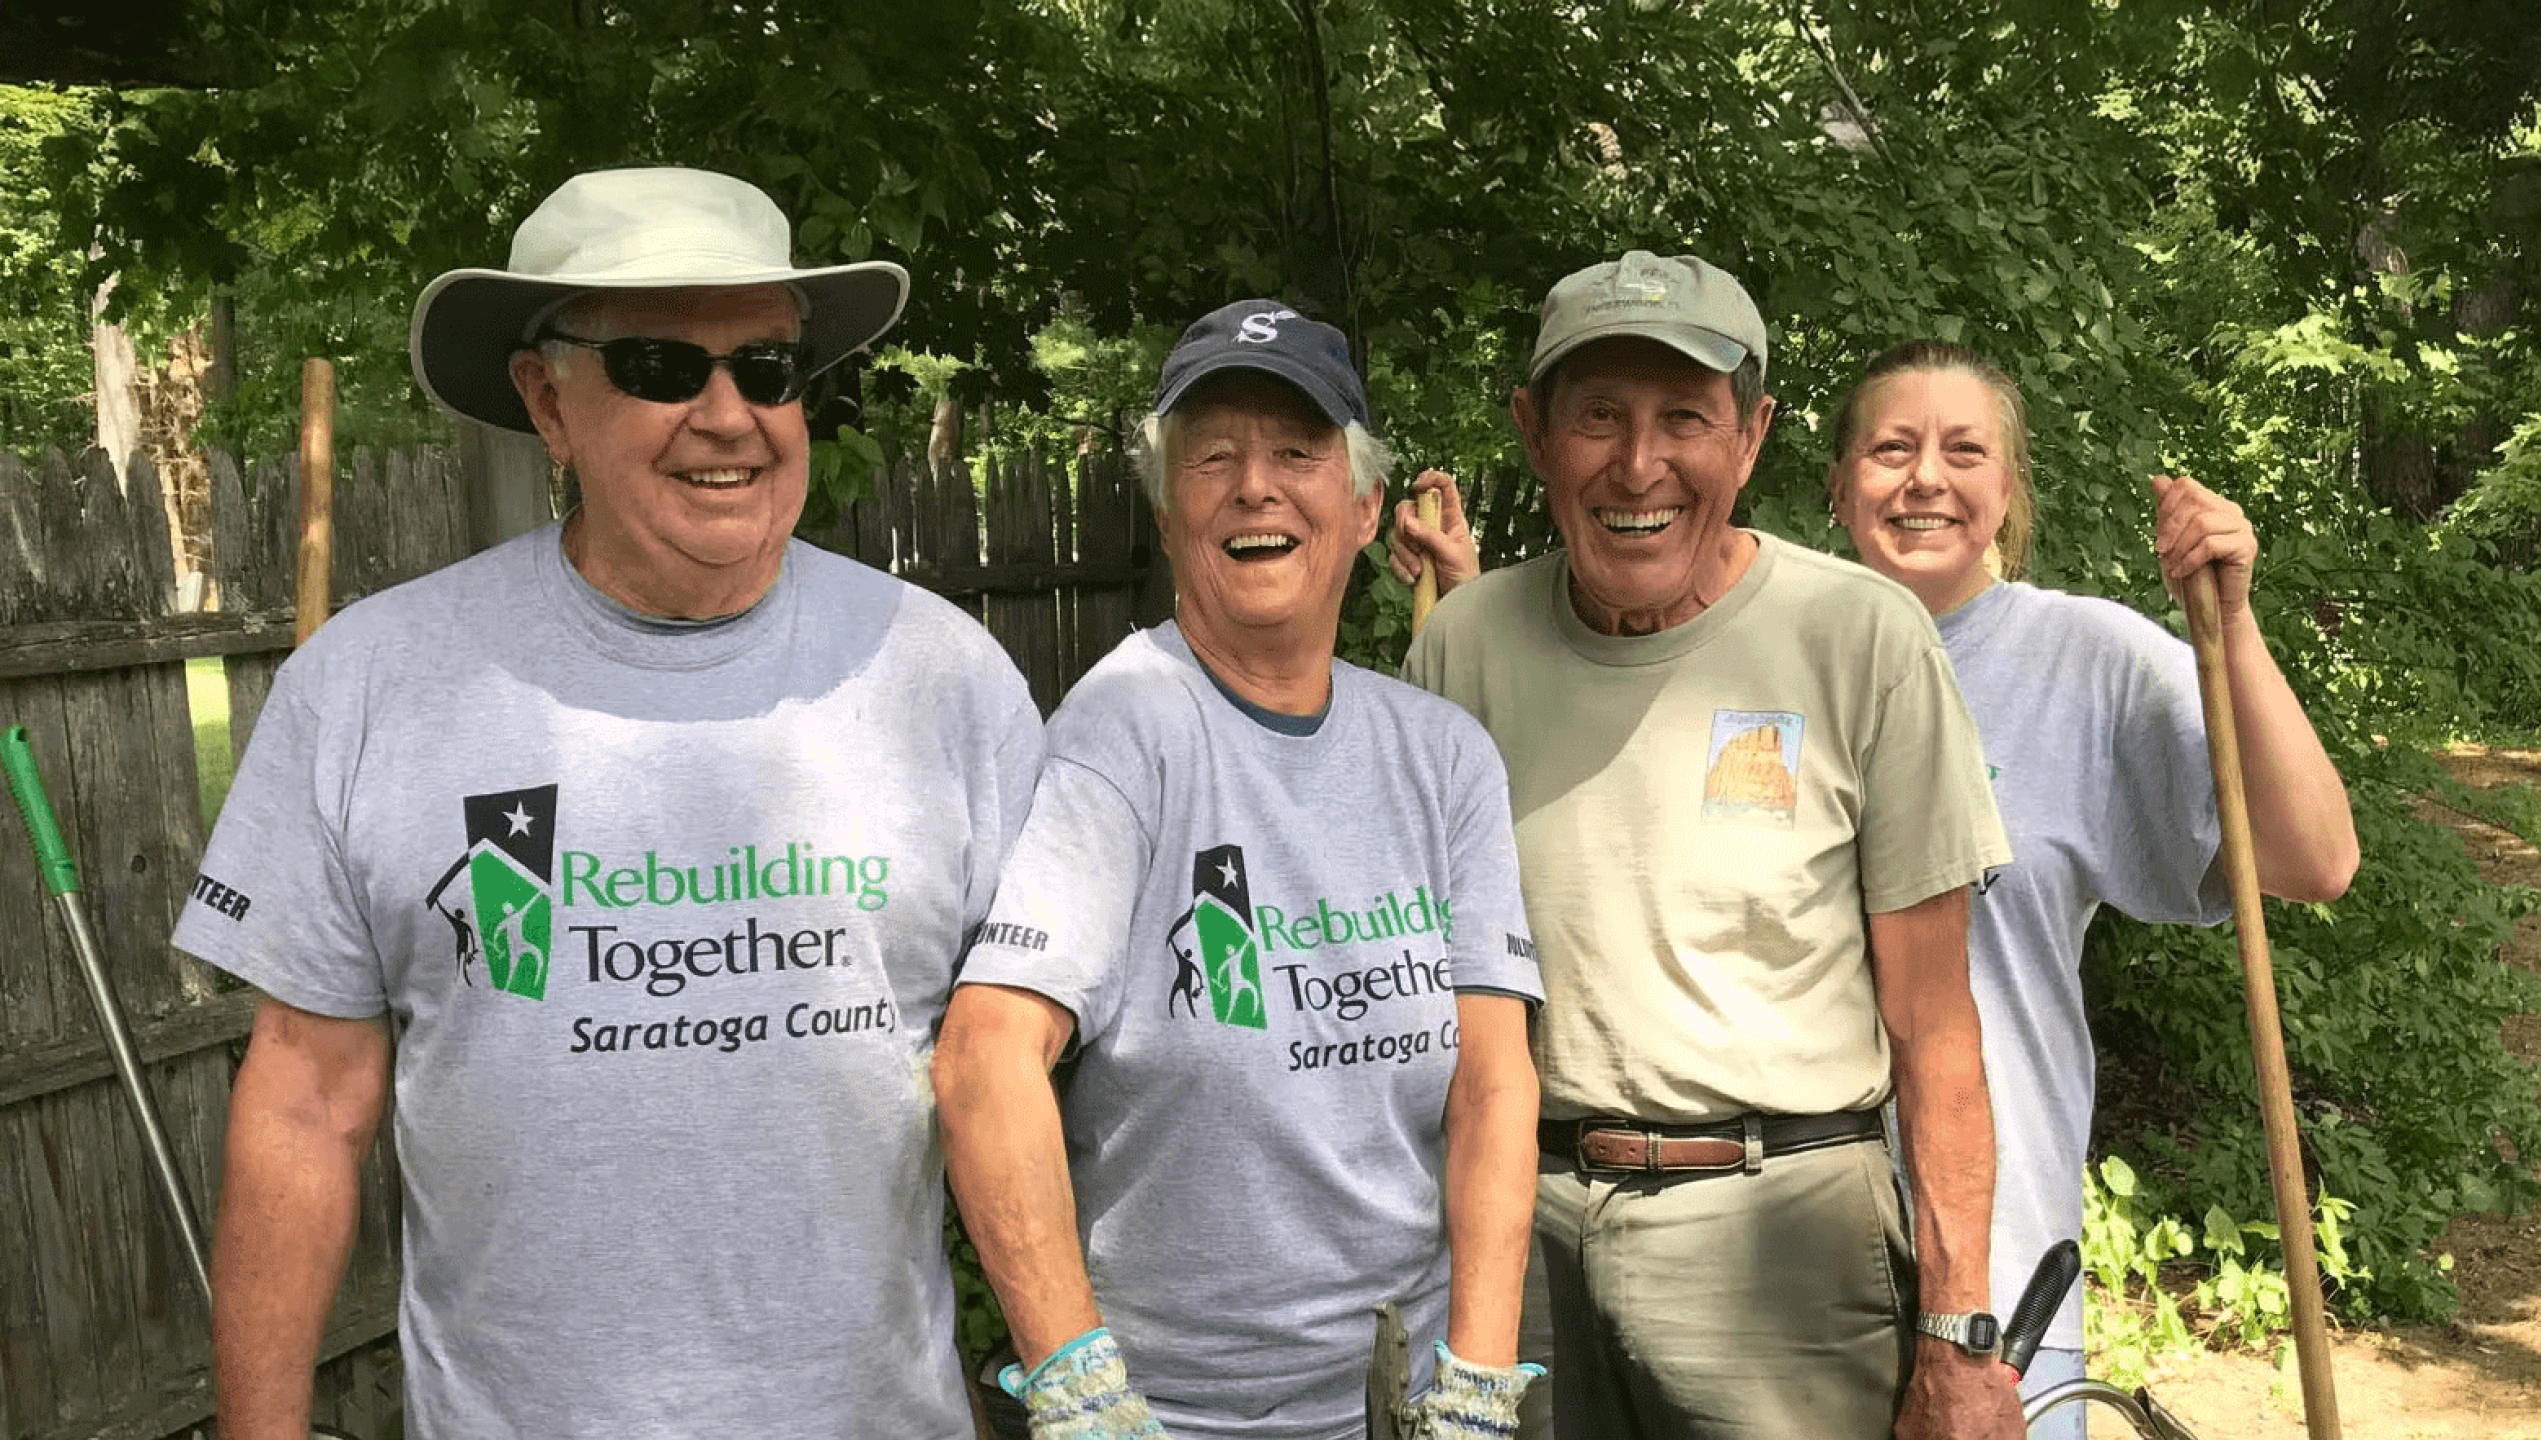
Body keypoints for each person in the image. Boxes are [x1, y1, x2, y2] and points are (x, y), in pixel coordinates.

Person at [175, 167, 1043, 1440]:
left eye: (767, 367)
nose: (728, 414)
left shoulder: (941, 677)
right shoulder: (373, 684)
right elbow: (304, 1098)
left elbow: (1034, 1059)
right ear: (547, 399)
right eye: (658, 364)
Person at [1390, 251, 2020, 1440]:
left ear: (1752, 435)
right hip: (1515, 1244)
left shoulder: (1860, 640)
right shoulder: (1462, 651)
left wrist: (1957, 1335)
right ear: (1534, 434)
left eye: (1685, 415)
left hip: (1784, 1245)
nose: (1638, 465)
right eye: (1597, 417)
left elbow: (1935, 1025)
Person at [934, 300, 1547, 1440]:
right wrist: (1078, 1385)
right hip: (1178, 1414)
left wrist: (1478, 1379)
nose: (1254, 486)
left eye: (1296, 453)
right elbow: (987, 1056)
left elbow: (1494, 1079)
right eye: (1211, 458)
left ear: (1365, 507)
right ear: (1170, 518)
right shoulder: (1124, 730)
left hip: (1407, 1396)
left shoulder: (1440, 754)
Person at [1823, 339, 2358, 1435]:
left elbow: (2313, 859)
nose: (1925, 476)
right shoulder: (1772, 650)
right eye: (1891, 448)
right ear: (1837, 487)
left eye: (1963, 451)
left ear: (2007, 490)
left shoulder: (2085, 658)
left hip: (1999, 1284)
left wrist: (2234, 625)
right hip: (1775, 1272)